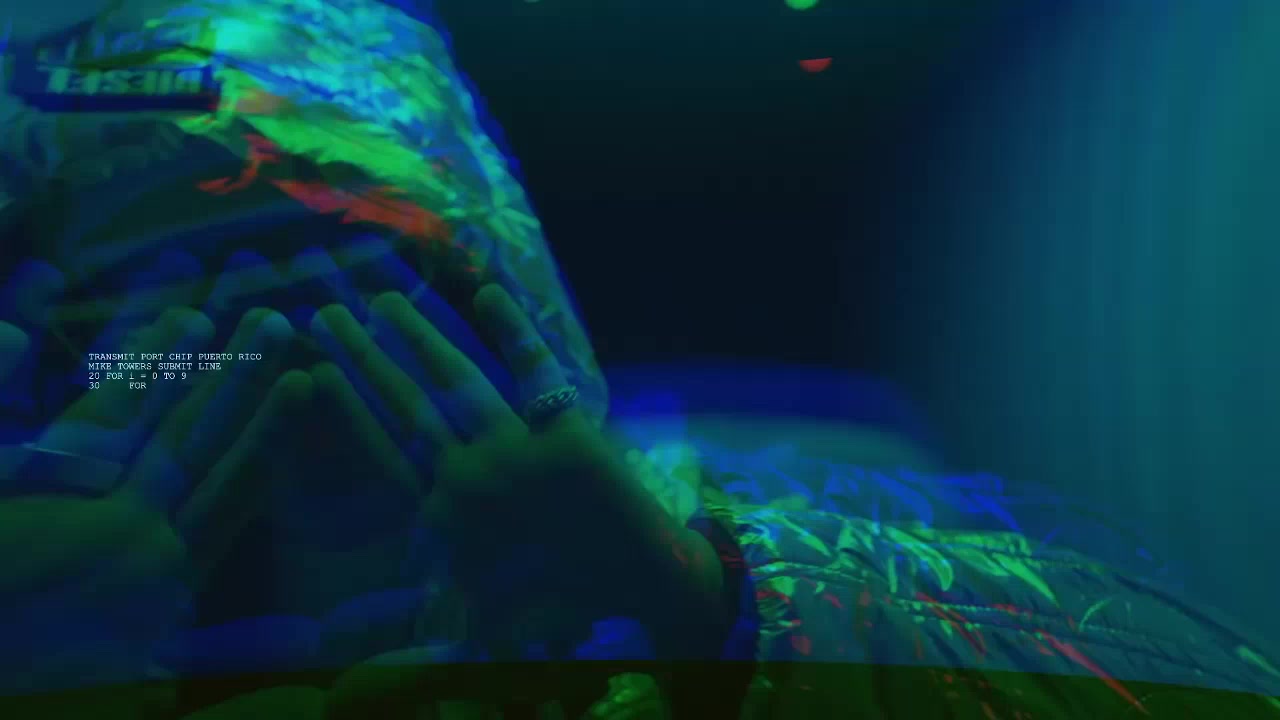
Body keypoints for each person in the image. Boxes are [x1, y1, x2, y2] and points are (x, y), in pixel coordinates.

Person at [1, 1, 1278, 719]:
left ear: (516, 299)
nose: (303, 388)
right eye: (160, 349)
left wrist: (705, 610)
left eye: (398, 309)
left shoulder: (756, 538)